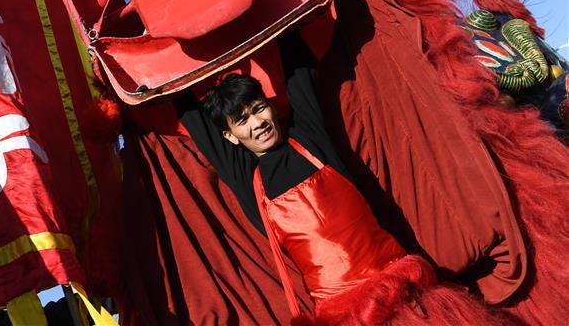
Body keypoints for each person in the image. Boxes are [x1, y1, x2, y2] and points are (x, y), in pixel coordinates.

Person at [176, 32, 514, 325]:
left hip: (408, 295)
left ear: (270, 106)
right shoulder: (249, 182)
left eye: (258, 109)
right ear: (231, 136)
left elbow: (297, 67)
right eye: (243, 120)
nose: (257, 123)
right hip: (341, 318)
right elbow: (187, 109)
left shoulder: (310, 140)